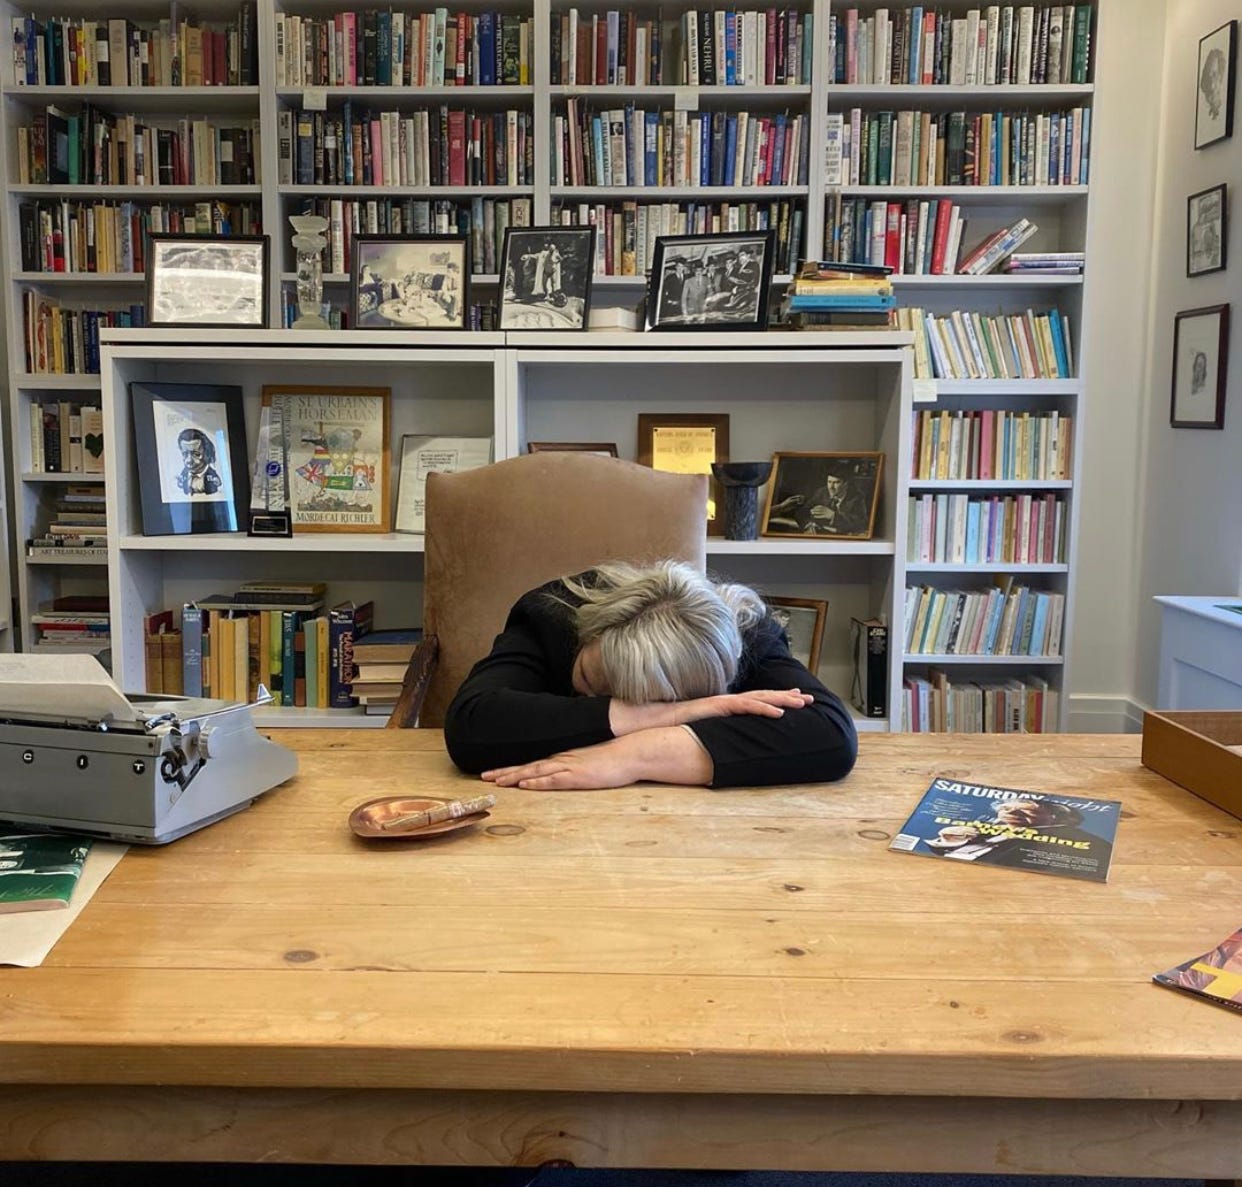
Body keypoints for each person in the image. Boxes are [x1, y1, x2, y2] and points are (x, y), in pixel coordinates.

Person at [444, 559, 858, 790]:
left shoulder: (746, 632)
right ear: (592, 632)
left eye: (647, 701)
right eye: (589, 681)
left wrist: (633, 756)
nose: (593, 702)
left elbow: (831, 736)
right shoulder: (554, 613)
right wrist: (668, 715)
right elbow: (471, 724)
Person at [926, 796, 1113, 869]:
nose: (1011, 813)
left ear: (1054, 816)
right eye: (1006, 809)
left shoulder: (1078, 838)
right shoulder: (985, 832)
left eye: (1026, 810)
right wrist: (949, 838)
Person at [769, 472, 871, 536]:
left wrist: (833, 516)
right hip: (820, 535)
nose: (831, 487)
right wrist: (808, 525)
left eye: (836, 482)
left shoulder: (857, 498)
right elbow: (802, 512)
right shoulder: (822, 492)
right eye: (829, 482)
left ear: (846, 484)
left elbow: (861, 523)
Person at [174, 428, 222, 497]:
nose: (189, 460)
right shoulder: (185, 474)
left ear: (206, 453)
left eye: (196, 454)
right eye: (185, 454)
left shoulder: (210, 474)